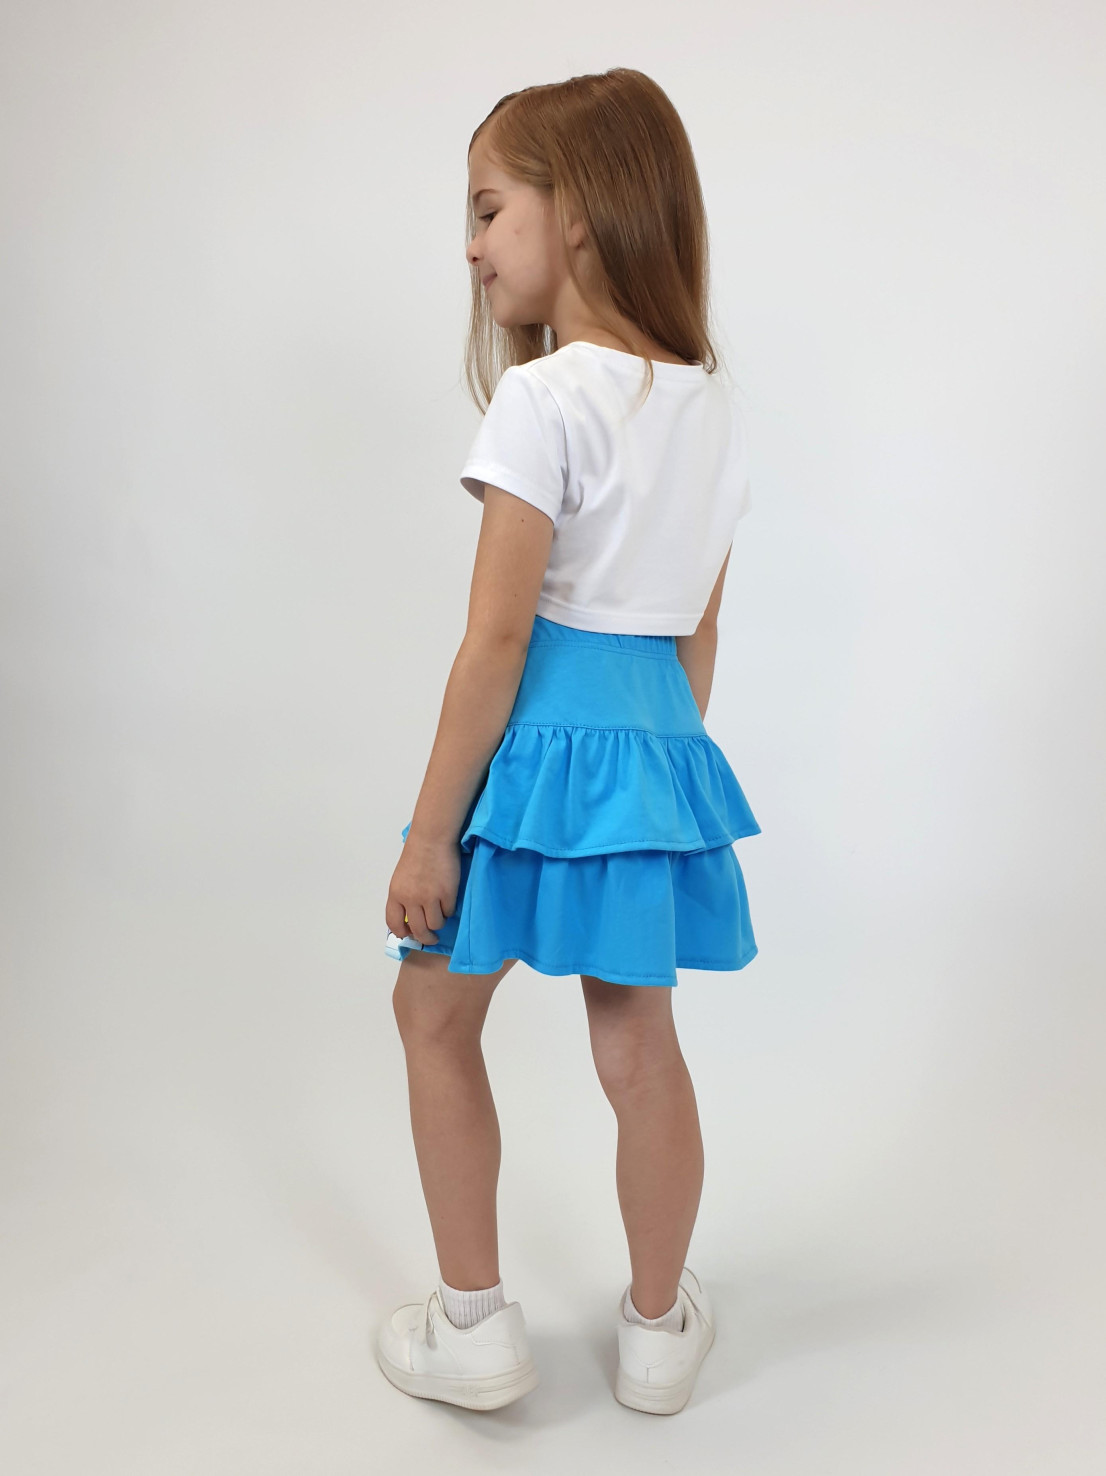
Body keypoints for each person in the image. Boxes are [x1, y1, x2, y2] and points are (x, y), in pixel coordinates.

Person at [374, 67, 761, 1416]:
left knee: (432, 1011)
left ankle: (472, 1324)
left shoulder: (541, 401)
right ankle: (657, 1330)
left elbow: (497, 641)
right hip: (650, 755)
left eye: (489, 210)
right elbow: (696, 632)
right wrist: (652, 780)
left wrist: (431, 836)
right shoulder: (709, 406)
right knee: (638, 1046)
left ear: (579, 212)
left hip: (529, 757)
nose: (471, 246)